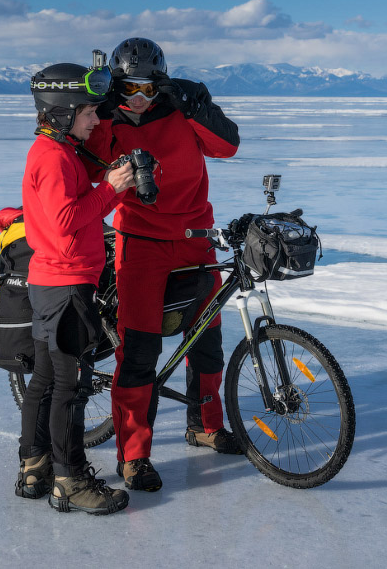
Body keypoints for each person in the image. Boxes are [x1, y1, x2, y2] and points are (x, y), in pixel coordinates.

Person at [82, 37, 241, 492]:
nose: (138, 98)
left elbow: (227, 147)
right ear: (116, 86)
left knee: (206, 340)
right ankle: (133, 456)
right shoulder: (109, 119)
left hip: (196, 240)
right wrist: (101, 114)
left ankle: (205, 426)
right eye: (128, 88)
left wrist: (198, 106)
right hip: (141, 244)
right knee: (139, 352)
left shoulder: (180, 112)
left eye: (148, 89)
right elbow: (90, 171)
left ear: (162, 86)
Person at [16, 62, 136, 515]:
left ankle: (35, 468)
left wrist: (107, 186)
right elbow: (66, 221)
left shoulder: (56, 151)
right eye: (88, 112)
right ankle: (70, 480)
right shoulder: (52, 157)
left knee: (46, 381)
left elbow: (65, 209)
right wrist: (111, 189)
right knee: (70, 388)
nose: (96, 120)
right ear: (63, 112)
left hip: (52, 281)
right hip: (66, 285)